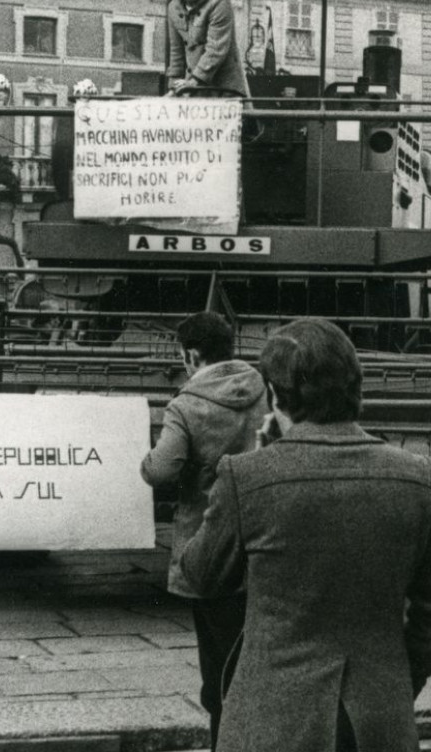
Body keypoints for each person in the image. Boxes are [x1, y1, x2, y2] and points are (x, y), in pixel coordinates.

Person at [178, 318, 431, 752]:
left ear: (275, 395)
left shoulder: (248, 476)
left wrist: (259, 464)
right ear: (355, 386)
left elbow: (200, 575)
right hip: (377, 717)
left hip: (272, 717)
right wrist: (397, 680)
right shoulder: (416, 476)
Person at [140, 311, 270, 746]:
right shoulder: (264, 389)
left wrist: (145, 460)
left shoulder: (187, 404)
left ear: (192, 355)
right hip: (263, 538)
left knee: (218, 668)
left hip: (209, 544)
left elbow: (162, 469)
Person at [164, 0, 250, 97]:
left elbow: (216, 49)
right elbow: (176, 52)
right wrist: (173, 88)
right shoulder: (173, 8)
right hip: (193, 89)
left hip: (224, 90)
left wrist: (194, 82)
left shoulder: (220, 2)